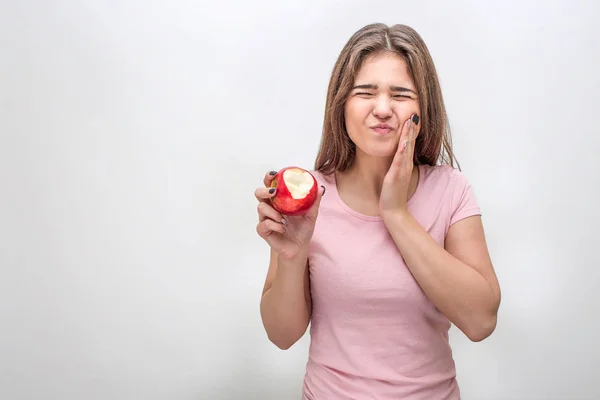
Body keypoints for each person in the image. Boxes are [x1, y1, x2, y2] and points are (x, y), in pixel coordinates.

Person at [254, 22, 501, 399]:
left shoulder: (451, 190)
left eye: (400, 94)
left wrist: (396, 213)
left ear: (423, 108)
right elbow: (281, 336)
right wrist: (291, 254)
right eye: (365, 92)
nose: (382, 109)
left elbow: (481, 321)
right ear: (341, 104)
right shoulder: (310, 198)